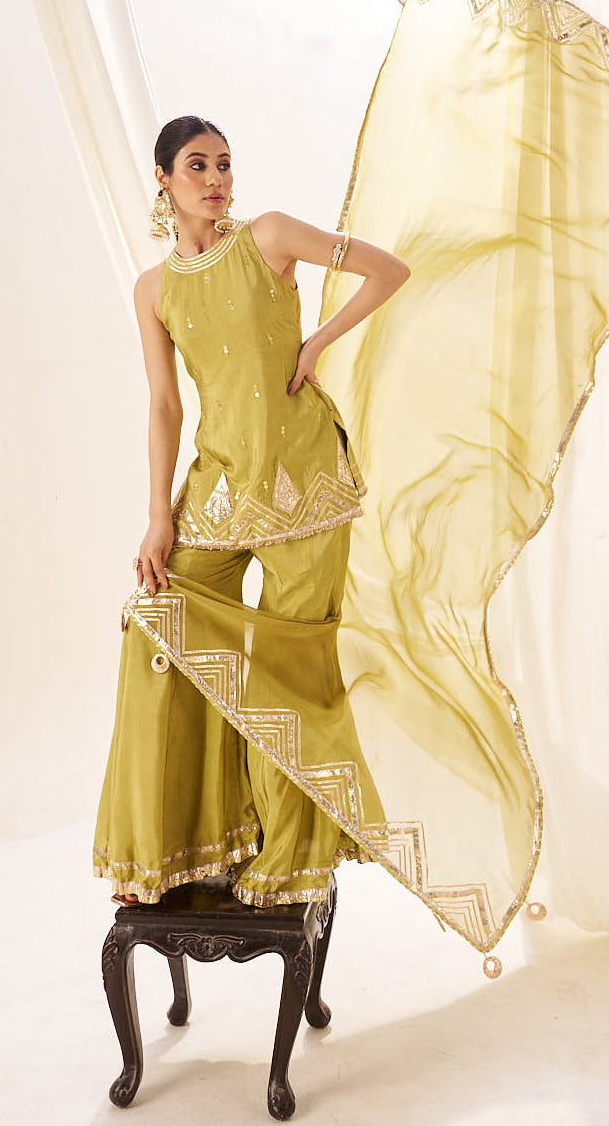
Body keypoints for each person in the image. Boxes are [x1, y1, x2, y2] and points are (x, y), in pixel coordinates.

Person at [93, 113, 410, 908]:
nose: (216, 179)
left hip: (307, 484)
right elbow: (165, 406)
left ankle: (289, 862)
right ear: (163, 181)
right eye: (196, 166)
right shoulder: (155, 289)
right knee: (159, 629)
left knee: (289, 674)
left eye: (225, 165)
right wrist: (161, 515)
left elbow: (388, 270)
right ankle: (179, 846)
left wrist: (317, 342)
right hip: (219, 491)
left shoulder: (269, 237)